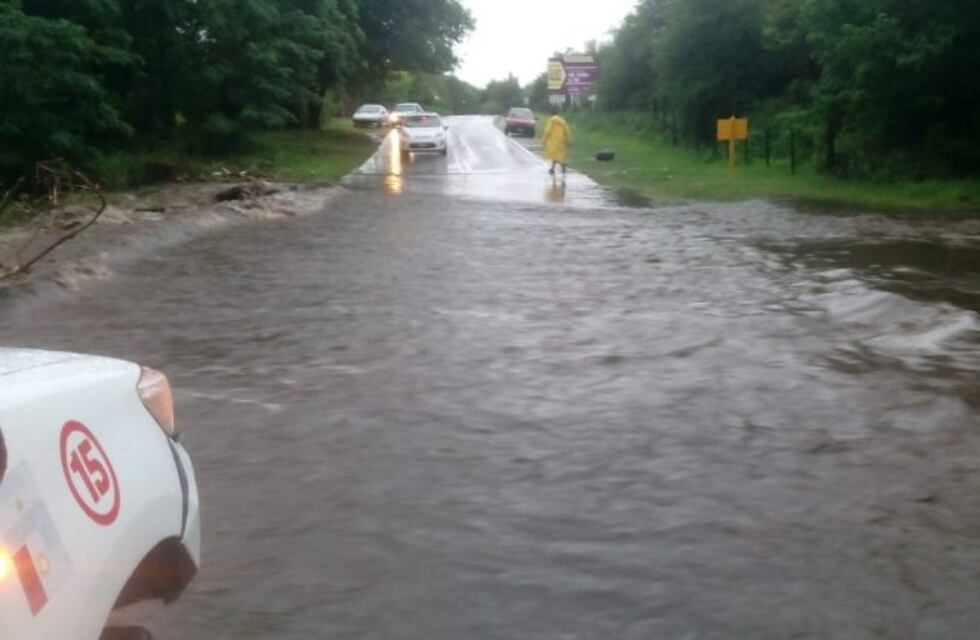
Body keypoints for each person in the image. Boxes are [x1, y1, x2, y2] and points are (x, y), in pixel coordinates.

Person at [542, 106, 572, 176]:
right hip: (562, 142)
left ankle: (555, 168)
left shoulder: (551, 121)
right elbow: (567, 131)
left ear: (551, 114)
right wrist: (569, 140)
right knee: (560, 155)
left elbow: (547, 131)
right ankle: (560, 166)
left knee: (554, 155)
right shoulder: (562, 121)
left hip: (553, 141)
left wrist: (544, 140)